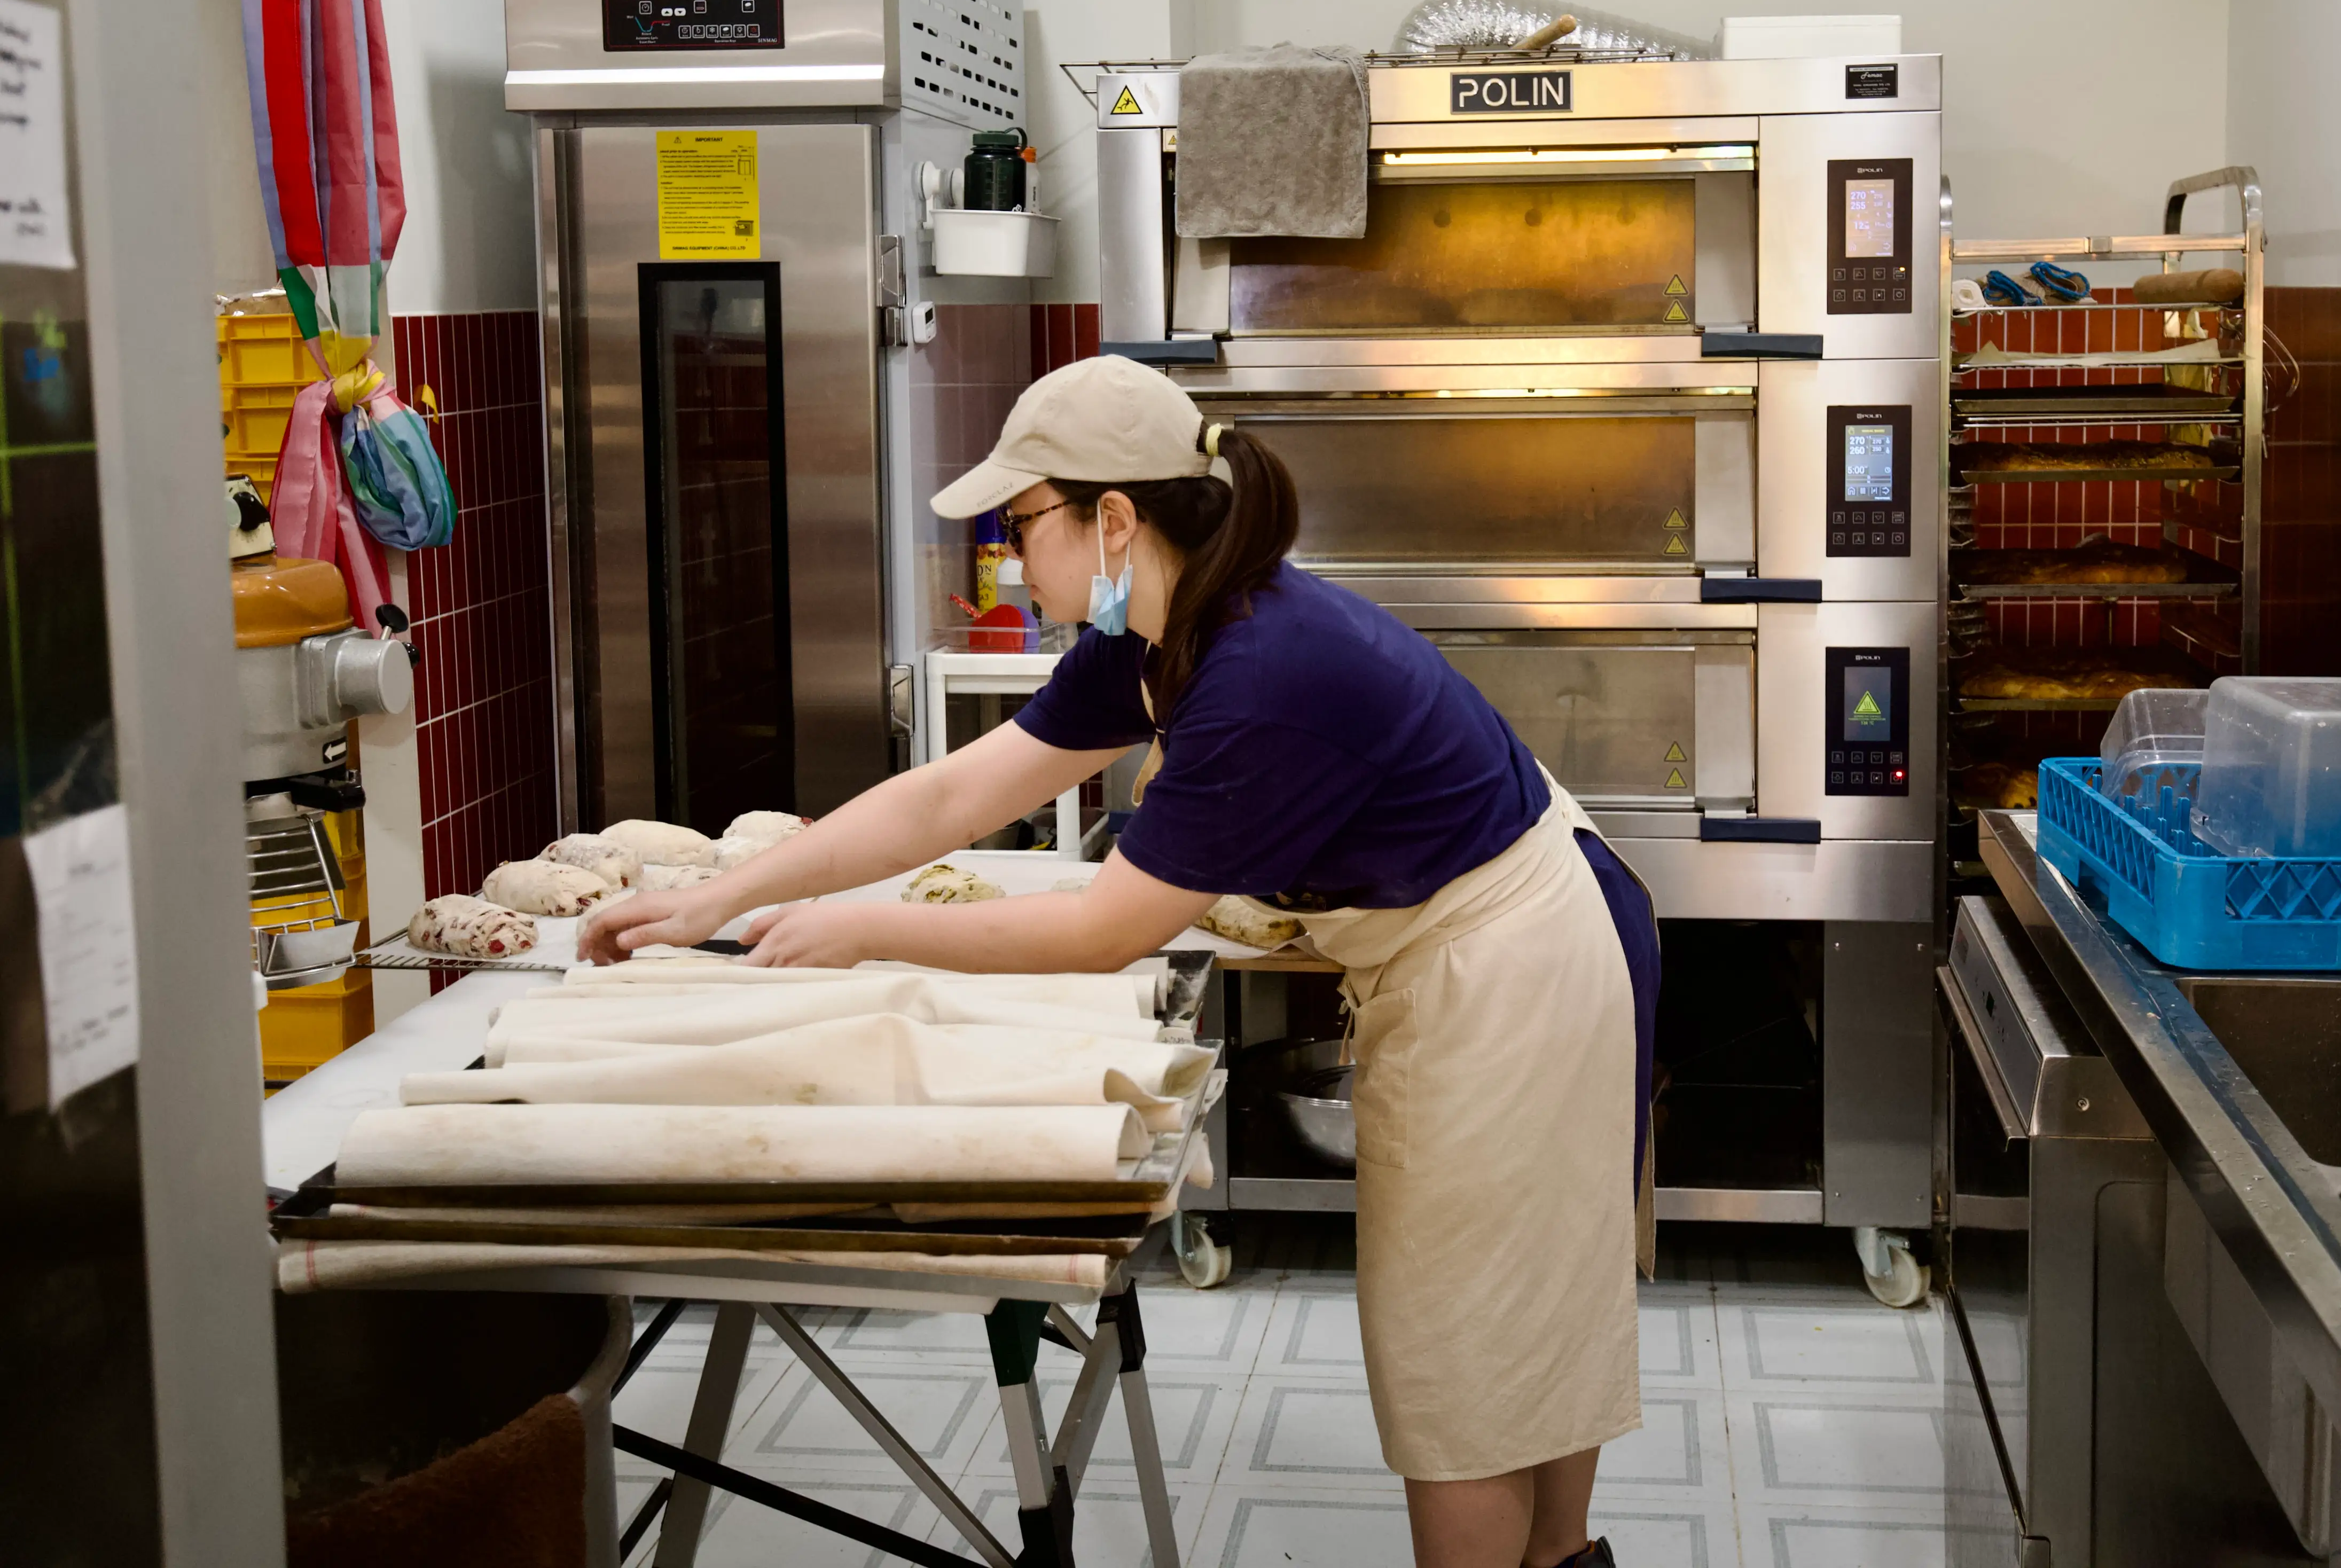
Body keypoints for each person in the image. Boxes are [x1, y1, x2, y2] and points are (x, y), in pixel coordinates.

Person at [580, 355, 1659, 1568]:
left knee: (1466, 1365)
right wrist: (714, 898)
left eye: (1016, 522)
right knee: (1515, 1327)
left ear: (1112, 519)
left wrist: (869, 928)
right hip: (1516, 929)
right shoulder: (1154, 634)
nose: (1002, 552)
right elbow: (954, 791)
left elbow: (1109, 928)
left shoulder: (1258, 669)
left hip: (1512, 964)